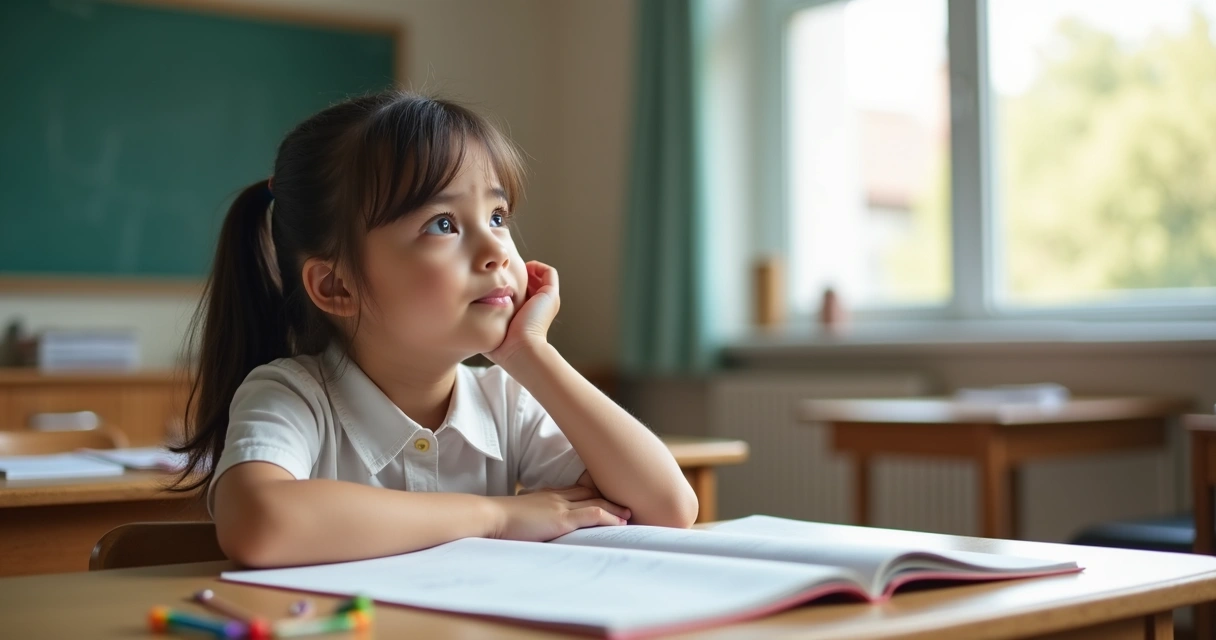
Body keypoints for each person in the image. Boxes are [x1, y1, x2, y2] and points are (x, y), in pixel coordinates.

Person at [173, 91, 697, 568]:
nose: (497, 251)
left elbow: (668, 509)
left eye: (498, 215)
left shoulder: (505, 400)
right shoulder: (292, 395)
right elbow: (262, 523)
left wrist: (530, 354)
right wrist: (496, 517)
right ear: (336, 286)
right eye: (443, 224)